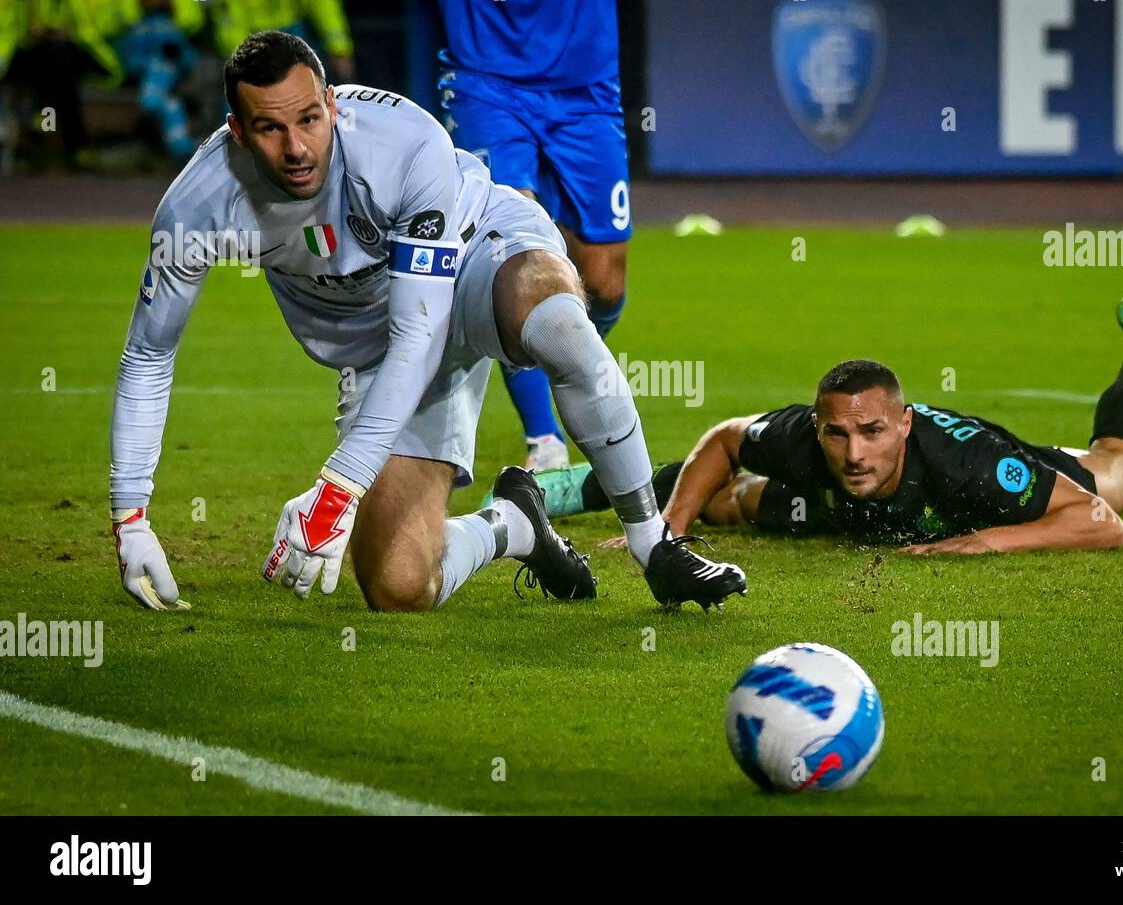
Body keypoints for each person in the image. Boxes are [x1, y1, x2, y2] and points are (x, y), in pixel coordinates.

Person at [108, 31, 746, 617]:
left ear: (331, 104)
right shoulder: (197, 208)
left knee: (559, 327)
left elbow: (424, 330)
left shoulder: (402, 143)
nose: (297, 147)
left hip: (478, 258)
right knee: (399, 586)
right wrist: (130, 516)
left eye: (308, 119)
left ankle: (652, 543)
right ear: (237, 132)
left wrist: (337, 488)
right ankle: (513, 524)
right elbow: (148, 354)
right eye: (270, 129)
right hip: (382, 348)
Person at [528, 291, 1123, 553]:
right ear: (818, 425)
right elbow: (723, 440)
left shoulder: (975, 468)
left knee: (1122, 471)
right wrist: (667, 535)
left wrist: (985, 543)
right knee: (714, 493)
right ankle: (565, 492)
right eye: (837, 433)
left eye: (872, 432)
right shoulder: (814, 440)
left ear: (902, 427)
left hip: (981, 492)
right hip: (862, 519)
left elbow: (1099, 524)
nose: (853, 450)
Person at [433, 0, 632, 471]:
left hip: (585, 89)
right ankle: (544, 439)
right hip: (485, 83)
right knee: (515, 255)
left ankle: (553, 354)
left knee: (605, 282)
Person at [0, 0, 121, 165]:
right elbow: (5, 24)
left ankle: (41, 125)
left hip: (60, 49)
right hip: (15, 52)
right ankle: (75, 145)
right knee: (56, 68)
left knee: (57, 59)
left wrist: (59, 31)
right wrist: (28, 36)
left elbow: (81, 18)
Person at [86, 0, 204, 158]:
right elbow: (99, 23)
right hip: (130, 51)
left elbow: (193, 19)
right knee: (164, 66)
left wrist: (170, 6)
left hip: (170, 46)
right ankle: (181, 147)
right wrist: (137, 6)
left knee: (162, 37)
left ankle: (153, 99)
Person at [210, 0, 354, 81]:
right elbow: (229, 27)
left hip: (296, 38)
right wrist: (251, 65)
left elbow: (322, 2)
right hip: (255, 46)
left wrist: (339, 49)